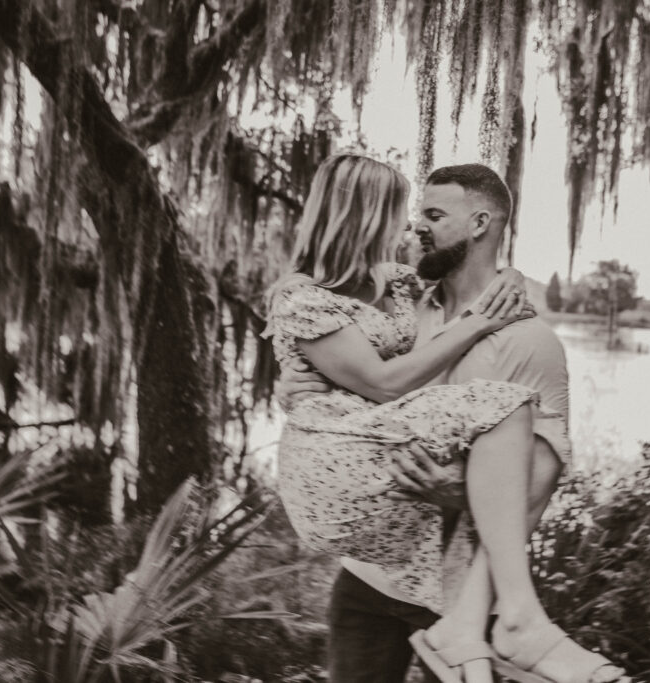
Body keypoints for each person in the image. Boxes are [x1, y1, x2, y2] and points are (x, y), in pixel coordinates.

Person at [266, 156, 628, 683]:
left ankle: (513, 626)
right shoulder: (400, 305)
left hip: (458, 587)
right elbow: (348, 378)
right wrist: (292, 387)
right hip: (373, 577)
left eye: (433, 215)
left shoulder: (529, 341)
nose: (415, 226)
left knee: (512, 412)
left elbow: (544, 468)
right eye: (414, 214)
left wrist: (458, 489)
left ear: (480, 224)